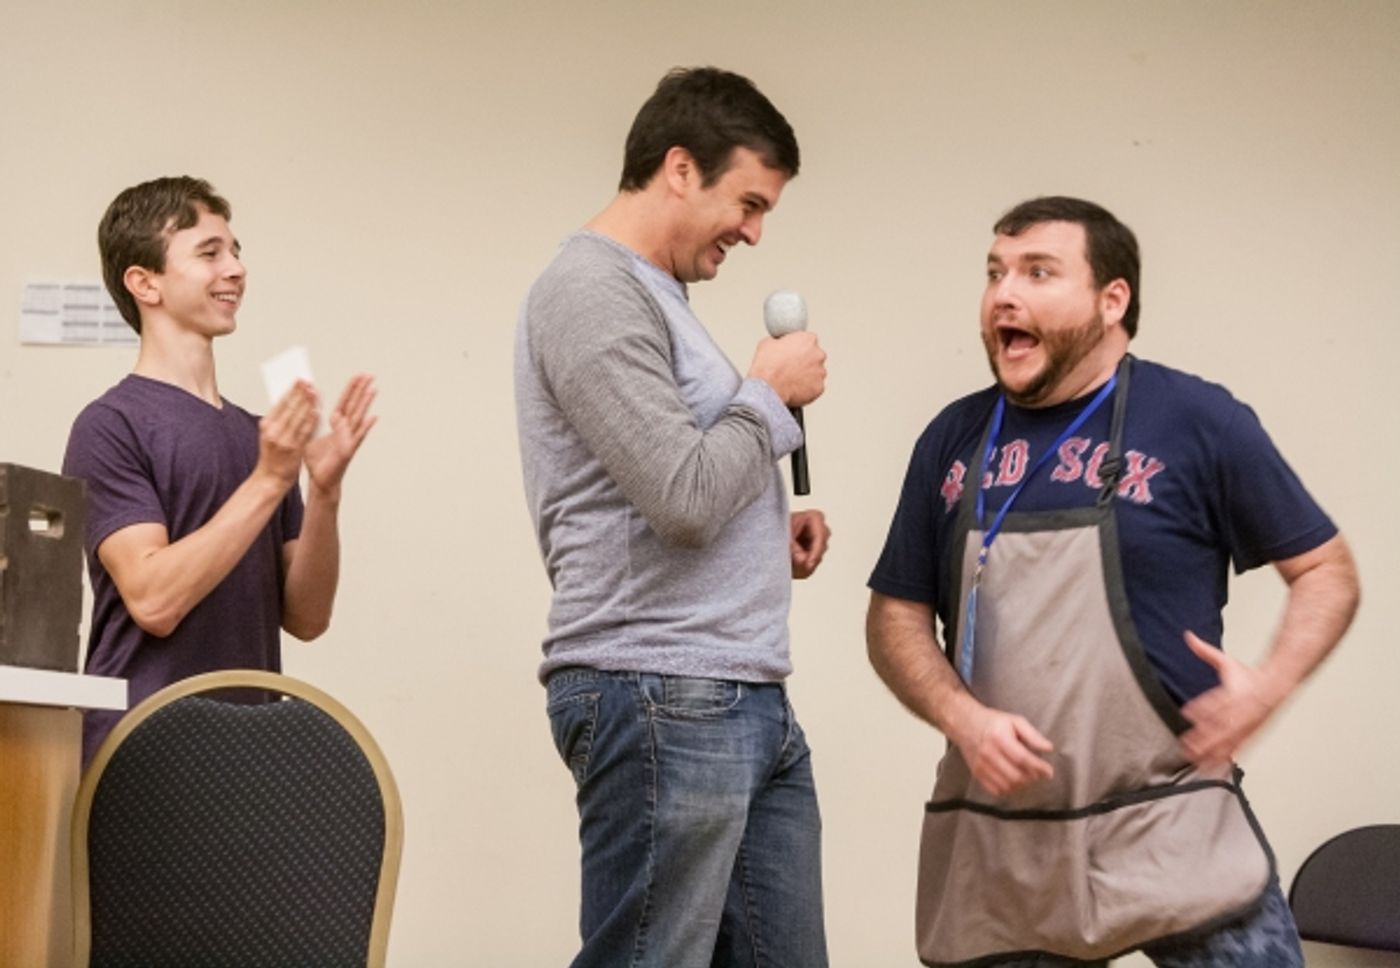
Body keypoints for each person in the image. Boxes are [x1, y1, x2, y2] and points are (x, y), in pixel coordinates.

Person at [866, 196, 1359, 966]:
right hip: (1004, 844)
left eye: (1038, 271)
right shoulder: (952, 439)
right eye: (995, 273)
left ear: (1112, 300)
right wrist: (963, 719)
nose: (1004, 294)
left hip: (1169, 819)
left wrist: (1268, 686)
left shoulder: (1200, 420)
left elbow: (1326, 570)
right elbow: (895, 617)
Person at [515, 67, 831, 968]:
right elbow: (682, 501)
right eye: (750, 202)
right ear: (681, 169)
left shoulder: (659, 302)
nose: (756, 233)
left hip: (735, 691)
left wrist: (768, 524)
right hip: (662, 690)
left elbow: (680, 486)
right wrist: (768, 395)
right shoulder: (589, 290)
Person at [63, 176, 376, 764]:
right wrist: (268, 480)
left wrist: (324, 490)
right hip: (140, 754)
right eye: (209, 253)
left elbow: (307, 618)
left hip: (248, 753)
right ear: (144, 282)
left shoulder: (261, 436)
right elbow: (154, 601)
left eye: (235, 252)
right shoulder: (108, 426)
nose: (234, 269)